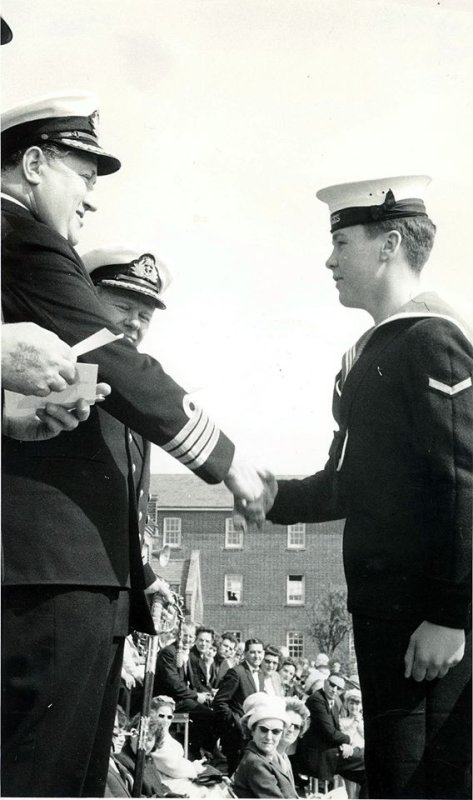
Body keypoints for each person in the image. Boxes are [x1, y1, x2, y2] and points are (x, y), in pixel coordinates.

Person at [1, 93, 270, 798]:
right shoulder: (22, 237)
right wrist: (229, 463)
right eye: (83, 174)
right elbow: (110, 361)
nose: (91, 199)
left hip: (62, 572)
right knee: (47, 777)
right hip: (49, 571)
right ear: (32, 165)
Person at [245, 175, 472, 799]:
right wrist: (270, 496)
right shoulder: (367, 356)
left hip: (428, 629)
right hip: (385, 618)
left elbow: (465, 485)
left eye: (341, 242)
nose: (329, 258)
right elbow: (346, 486)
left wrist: (450, 616)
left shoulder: (432, 340)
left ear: (389, 243)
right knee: (395, 781)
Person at [154, 620, 216, 758]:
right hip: (168, 700)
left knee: (212, 708)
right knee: (207, 715)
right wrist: (196, 696)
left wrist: (205, 695)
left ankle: (198, 748)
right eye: (184, 636)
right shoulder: (169, 653)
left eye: (191, 636)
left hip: (181, 697)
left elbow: (193, 682)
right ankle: (193, 749)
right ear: (177, 634)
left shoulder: (186, 654)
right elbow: (174, 685)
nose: (188, 640)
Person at [298, 674, 366, 794]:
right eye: (332, 684)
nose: (335, 689)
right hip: (319, 757)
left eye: (339, 688)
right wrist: (349, 741)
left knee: (367, 776)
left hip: (330, 752)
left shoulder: (333, 702)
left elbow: (336, 731)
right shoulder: (316, 700)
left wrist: (346, 745)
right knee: (366, 757)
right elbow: (330, 733)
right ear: (325, 682)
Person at [213, 638, 265, 774]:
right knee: (236, 775)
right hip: (237, 735)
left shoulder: (260, 674)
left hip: (253, 734)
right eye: (253, 652)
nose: (257, 656)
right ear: (246, 654)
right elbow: (219, 702)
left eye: (259, 652)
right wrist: (236, 722)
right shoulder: (236, 672)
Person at [232, 699, 296, 798]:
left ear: (281, 734)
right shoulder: (257, 763)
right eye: (263, 729)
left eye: (276, 731)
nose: (269, 737)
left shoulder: (266, 756)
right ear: (252, 731)